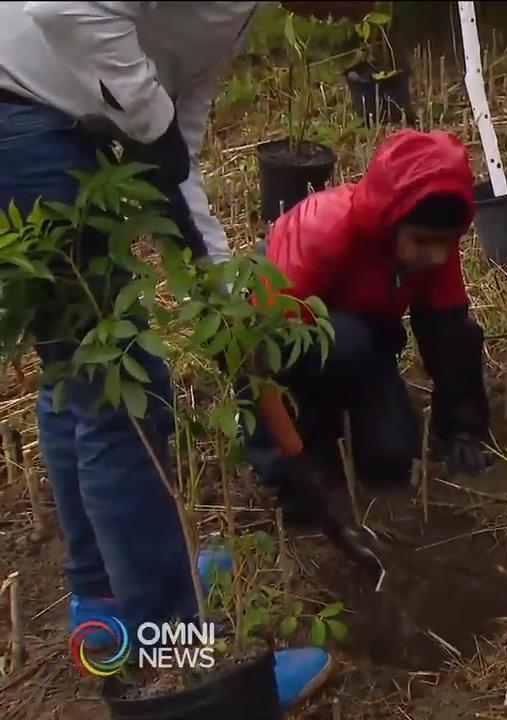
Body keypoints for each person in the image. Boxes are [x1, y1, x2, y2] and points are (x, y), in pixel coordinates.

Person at [0, 1, 371, 708]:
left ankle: (105, 599)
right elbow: (65, 6)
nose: (353, 14)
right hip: (21, 123)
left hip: (44, 126)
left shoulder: (233, 18)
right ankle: (173, 659)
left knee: (79, 373)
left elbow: (177, 161)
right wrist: (147, 117)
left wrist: (227, 295)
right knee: (123, 385)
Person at [244, 128, 491, 520]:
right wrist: (284, 468)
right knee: (345, 343)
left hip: (365, 347)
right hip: (304, 342)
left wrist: (462, 426)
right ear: (389, 222)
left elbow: (450, 335)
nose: (440, 256)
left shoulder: (432, 247)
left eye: (448, 241)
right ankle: (313, 424)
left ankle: (341, 418)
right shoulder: (320, 232)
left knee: (392, 460)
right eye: (425, 240)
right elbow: (258, 355)